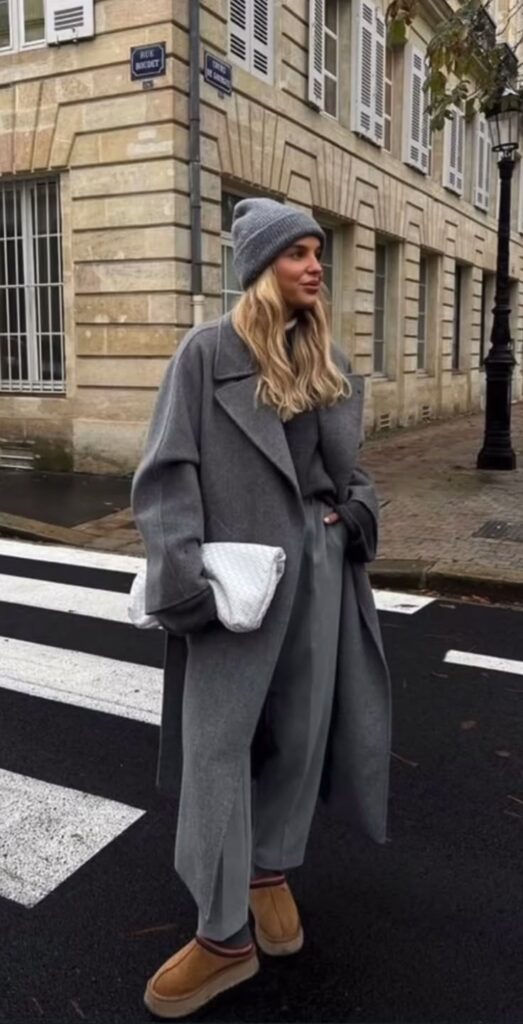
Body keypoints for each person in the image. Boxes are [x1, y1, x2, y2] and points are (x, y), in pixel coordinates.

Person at [131, 198, 391, 1020]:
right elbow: (165, 472)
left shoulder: (327, 360)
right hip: (237, 586)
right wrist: (180, 585)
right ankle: (221, 935)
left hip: (316, 578)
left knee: (296, 740)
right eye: (297, 253)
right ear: (259, 266)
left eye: (318, 252)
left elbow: (354, 476)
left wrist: (352, 519)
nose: (316, 264)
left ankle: (269, 870)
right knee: (219, 749)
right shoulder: (206, 355)